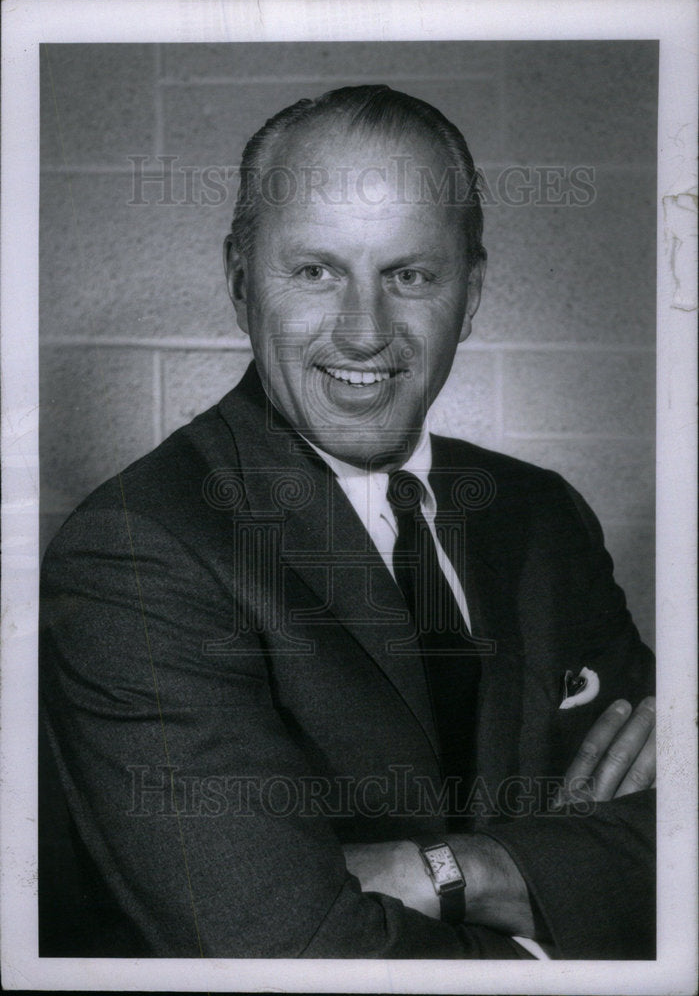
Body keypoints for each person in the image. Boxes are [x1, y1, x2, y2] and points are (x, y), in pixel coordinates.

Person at [39, 85, 656, 960]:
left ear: (470, 293)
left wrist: (449, 869)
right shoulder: (137, 556)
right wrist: (561, 924)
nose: (364, 333)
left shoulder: (540, 514)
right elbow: (288, 948)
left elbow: (675, 837)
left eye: (408, 275)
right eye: (316, 271)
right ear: (239, 281)